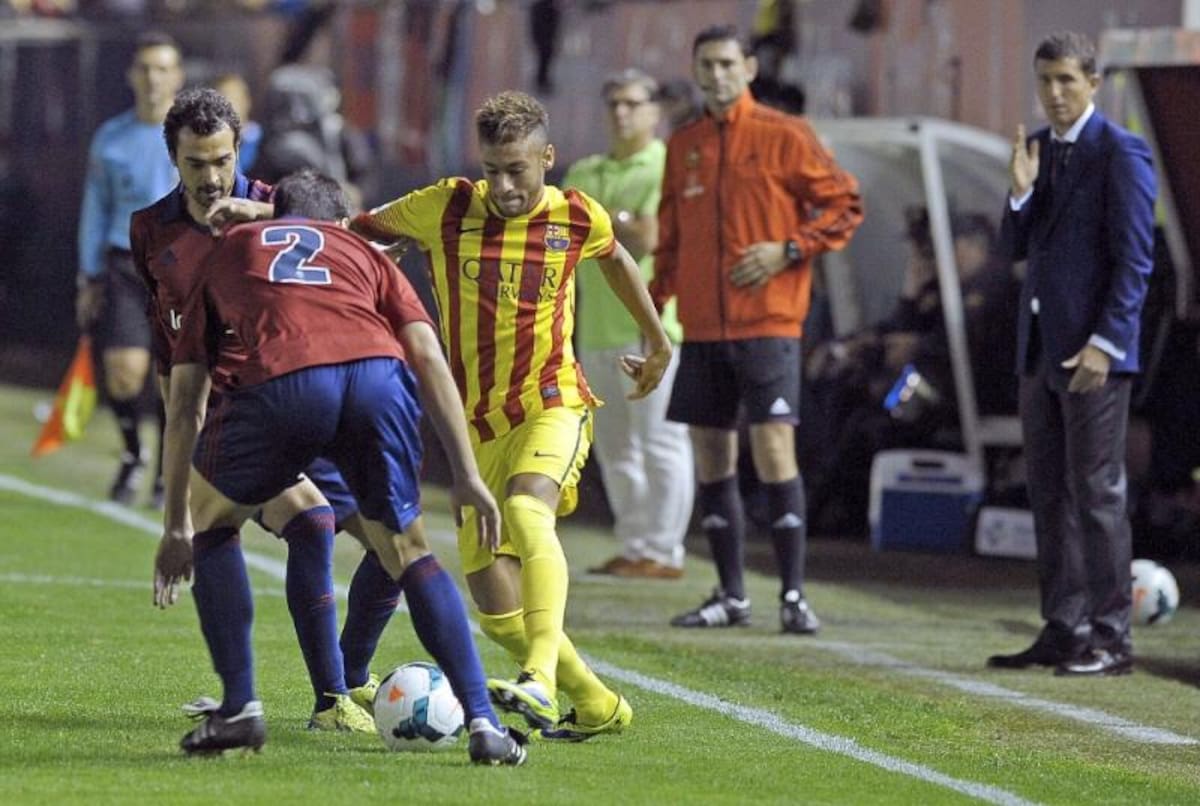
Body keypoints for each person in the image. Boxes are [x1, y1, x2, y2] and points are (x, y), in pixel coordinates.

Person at [153, 170, 527, 765]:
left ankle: (241, 707)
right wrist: (466, 474)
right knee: (408, 551)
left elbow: (185, 402)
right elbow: (426, 354)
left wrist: (178, 525)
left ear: (274, 213)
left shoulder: (232, 248)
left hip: (285, 378)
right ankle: (484, 723)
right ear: (341, 221)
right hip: (376, 378)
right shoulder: (366, 253)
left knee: (213, 521)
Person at [351, 90, 672, 740]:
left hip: (553, 401)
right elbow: (355, 233)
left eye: (517, 170)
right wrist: (371, 257)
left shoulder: (575, 215)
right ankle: (598, 704)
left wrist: (657, 339)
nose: (502, 186)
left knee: (528, 511)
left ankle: (540, 680)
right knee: (497, 612)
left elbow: (616, 257)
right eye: (492, 169)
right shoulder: (444, 206)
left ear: (547, 159)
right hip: (474, 429)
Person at [137, 87, 404, 734]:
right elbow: (174, 352)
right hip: (236, 416)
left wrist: (263, 213)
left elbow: (344, 229)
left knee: (396, 548)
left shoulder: (279, 207)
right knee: (310, 522)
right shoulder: (151, 229)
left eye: (222, 160)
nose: (210, 177)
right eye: (195, 163)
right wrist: (177, 504)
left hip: (311, 403)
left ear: (240, 150)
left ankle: (348, 676)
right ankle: (326, 700)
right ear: (173, 158)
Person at [651, 24, 863, 634]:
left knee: (773, 451)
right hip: (701, 328)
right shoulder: (683, 145)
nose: (716, 75)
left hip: (769, 323)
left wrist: (789, 250)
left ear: (748, 68)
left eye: (726, 63)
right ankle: (731, 595)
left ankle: (793, 596)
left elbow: (846, 204)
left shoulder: (785, 134)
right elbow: (670, 242)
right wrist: (653, 315)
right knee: (712, 456)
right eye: (706, 64)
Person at [986, 32, 1155, 676]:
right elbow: (1013, 250)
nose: (1054, 94)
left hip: (1093, 354)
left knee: (1097, 492)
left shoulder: (1120, 151)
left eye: (1066, 80)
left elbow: (1136, 261)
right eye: (1045, 81)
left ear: (1093, 83)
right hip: (1040, 351)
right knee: (1049, 493)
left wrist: (1106, 345)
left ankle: (1112, 637)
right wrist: (1020, 194)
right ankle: (1064, 625)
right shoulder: (1036, 149)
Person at [563, 68, 693, 580]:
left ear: (654, 111)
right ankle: (637, 543)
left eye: (633, 103)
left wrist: (607, 219)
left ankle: (665, 550)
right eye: (614, 103)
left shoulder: (666, 165)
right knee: (614, 447)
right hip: (595, 328)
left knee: (661, 441)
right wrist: (622, 217)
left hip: (652, 328)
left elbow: (648, 238)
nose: (621, 112)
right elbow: (564, 237)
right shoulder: (584, 171)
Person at [76, 31, 184, 506]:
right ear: (131, 76)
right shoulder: (111, 138)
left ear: (177, 76)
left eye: (162, 69)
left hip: (180, 267)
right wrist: (89, 274)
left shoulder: (194, 135)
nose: (153, 78)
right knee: (123, 372)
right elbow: (95, 208)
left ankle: (165, 473)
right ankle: (134, 452)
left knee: (173, 376)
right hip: (125, 262)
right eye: (145, 68)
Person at [212, 73, 262, 173]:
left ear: (247, 101)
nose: (230, 105)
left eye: (234, 98)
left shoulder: (265, 140)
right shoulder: (205, 147)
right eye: (223, 100)